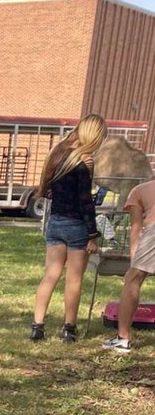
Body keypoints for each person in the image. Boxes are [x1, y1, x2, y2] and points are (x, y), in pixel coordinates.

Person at [30, 114, 107, 342]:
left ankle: (38, 326)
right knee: (74, 279)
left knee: (50, 275)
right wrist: (93, 235)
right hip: (77, 226)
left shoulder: (58, 154)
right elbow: (85, 201)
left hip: (55, 222)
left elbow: (50, 190)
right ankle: (69, 329)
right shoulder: (83, 162)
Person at [102, 175, 155, 352]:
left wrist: (134, 260)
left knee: (132, 280)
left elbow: (136, 228)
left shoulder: (138, 191)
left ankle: (122, 338)